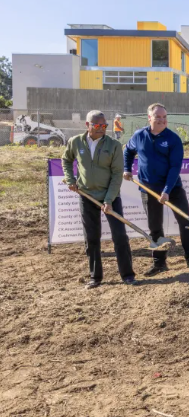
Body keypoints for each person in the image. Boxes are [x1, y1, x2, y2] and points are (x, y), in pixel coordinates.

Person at [124, 103, 189, 276]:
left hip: (173, 187)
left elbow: (175, 167)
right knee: (155, 227)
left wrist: (167, 190)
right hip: (148, 188)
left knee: (186, 222)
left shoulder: (173, 139)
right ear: (149, 118)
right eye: (158, 117)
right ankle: (159, 263)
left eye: (164, 117)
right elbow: (128, 151)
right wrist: (127, 169)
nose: (162, 120)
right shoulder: (139, 136)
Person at [63, 110, 135, 288]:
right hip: (87, 196)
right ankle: (95, 277)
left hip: (110, 197)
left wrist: (109, 200)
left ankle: (127, 275)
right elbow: (66, 160)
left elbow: (117, 174)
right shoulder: (76, 142)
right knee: (92, 238)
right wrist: (71, 180)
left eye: (104, 126)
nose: (102, 129)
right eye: (98, 126)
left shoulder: (114, 145)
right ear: (87, 125)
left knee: (120, 236)